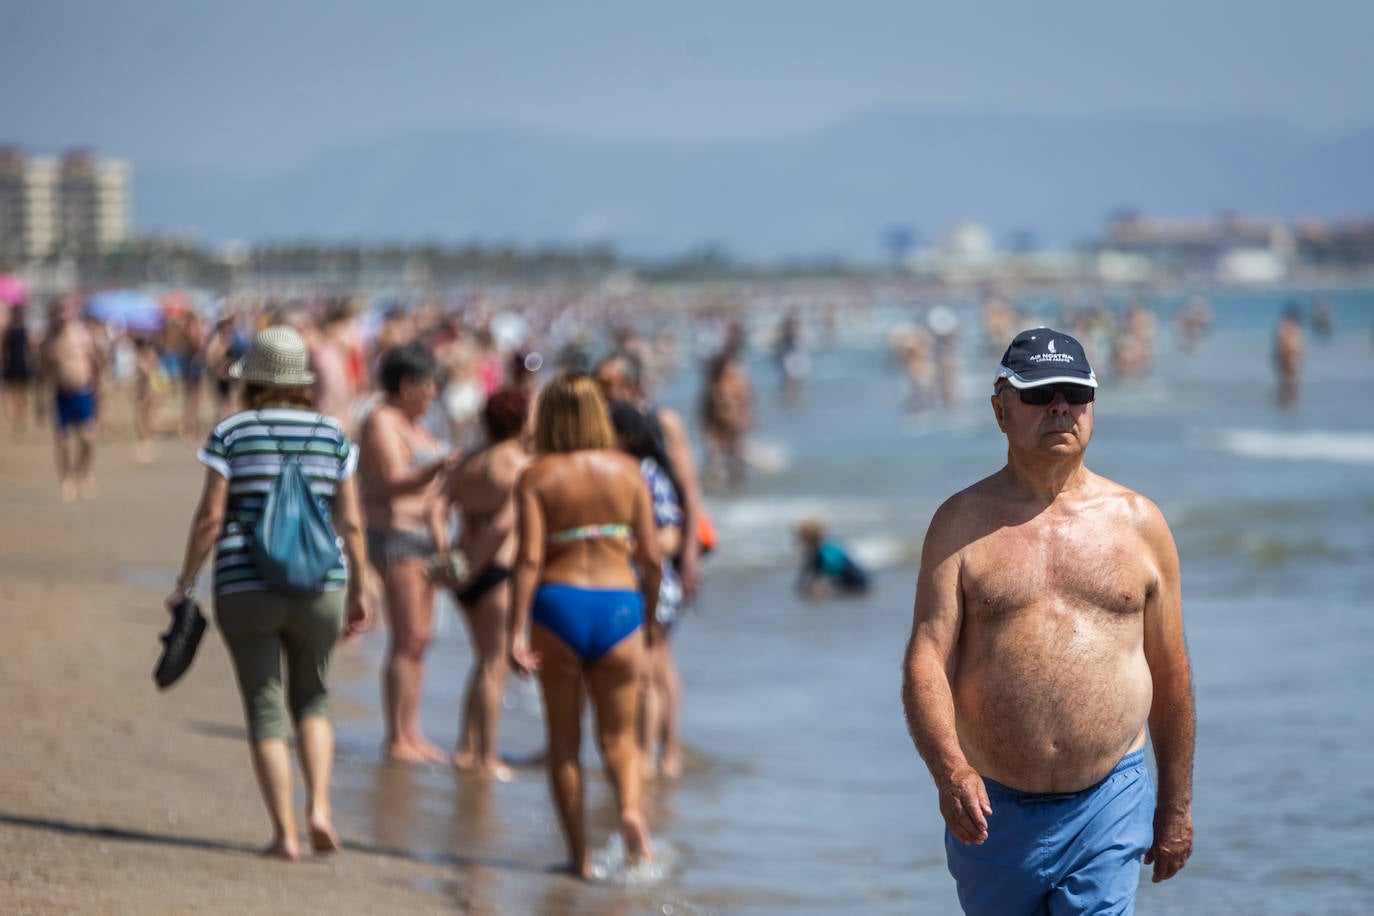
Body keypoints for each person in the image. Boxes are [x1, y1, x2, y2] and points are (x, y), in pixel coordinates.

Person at [901, 327, 1194, 915]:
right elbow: (926, 657)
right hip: (993, 808)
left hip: (1112, 797)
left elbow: (1170, 670)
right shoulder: (960, 525)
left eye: (1074, 393)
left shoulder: (1140, 523)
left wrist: (1177, 804)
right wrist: (950, 771)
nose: (1060, 407)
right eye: (1039, 394)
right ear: (1000, 409)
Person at [166, 325, 371, 861]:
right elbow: (353, 523)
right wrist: (361, 591)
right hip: (322, 583)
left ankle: (285, 835)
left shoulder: (232, 432)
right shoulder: (333, 434)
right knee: (315, 697)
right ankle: (320, 808)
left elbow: (211, 518)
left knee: (264, 706)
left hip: (244, 582)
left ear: (251, 379)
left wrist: (186, 582)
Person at [508, 373, 661, 877]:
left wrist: (515, 630)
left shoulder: (537, 475)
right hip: (620, 607)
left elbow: (528, 559)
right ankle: (631, 814)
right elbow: (653, 558)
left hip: (559, 605)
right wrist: (652, 615)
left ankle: (581, 858)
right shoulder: (628, 471)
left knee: (564, 742)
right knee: (621, 739)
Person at [358, 341, 458, 763]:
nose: (434, 392)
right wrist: (438, 468)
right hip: (396, 534)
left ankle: (411, 731)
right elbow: (390, 482)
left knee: (422, 639)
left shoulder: (418, 425)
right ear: (407, 384)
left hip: (425, 536)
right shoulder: (381, 420)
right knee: (406, 637)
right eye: (428, 384)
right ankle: (396, 737)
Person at [441, 385, 531, 779]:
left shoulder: (469, 461)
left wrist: (452, 561)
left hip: (464, 570)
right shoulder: (519, 465)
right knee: (495, 666)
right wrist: (477, 567)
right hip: (495, 571)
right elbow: (503, 525)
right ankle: (488, 756)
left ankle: (465, 747)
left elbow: (437, 506)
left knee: (481, 663)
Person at [608, 399, 687, 778]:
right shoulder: (617, 471)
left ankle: (653, 755)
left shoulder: (648, 474)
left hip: (652, 585)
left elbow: (670, 536)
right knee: (643, 675)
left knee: (652, 675)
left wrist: (627, 545)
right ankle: (649, 754)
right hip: (627, 585)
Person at [594, 350, 705, 600]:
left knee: (658, 629)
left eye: (605, 383)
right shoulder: (598, 426)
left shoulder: (663, 422)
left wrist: (690, 557)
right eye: (595, 382)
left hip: (663, 536)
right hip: (617, 548)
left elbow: (688, 490)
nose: (598, 391)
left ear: (632, 385)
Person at [39, 297, 104, 501]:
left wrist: (100, 391)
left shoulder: (83, 335)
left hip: (83, 391)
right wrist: (40, 401)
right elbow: (44, 372)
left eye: (65, 311)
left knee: (88, 439)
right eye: (58, 312)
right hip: (61, 393)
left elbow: (97, 364)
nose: (62, 316)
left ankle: (83, 473)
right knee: (64, 442)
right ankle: (66, 479)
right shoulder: (47, 341)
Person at [794, 518, 870, 599]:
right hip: (858, 580)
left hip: (855, 584)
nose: (798, 539)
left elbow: (816, 576)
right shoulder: (827, 547)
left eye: (800, 536)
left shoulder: (819, 553)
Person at [2, 303, 36, 436]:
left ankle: (20, 417)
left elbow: (30, 346)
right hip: (12, 365)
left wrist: (32, 360)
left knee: (21, 394)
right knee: (11, 393)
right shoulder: (9, 330)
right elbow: (4, 348)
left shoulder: (23, 329)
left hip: (21, 364)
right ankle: (17, 417)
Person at [1274, 304, 1304, 410]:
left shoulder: (1287, 327)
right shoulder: (1285, 327)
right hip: (1288, 357)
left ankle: (1287, 402)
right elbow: (1282, 345)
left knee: (1289, 381)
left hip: (1289, 357)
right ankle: (1287, 402)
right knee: (1289, 381)